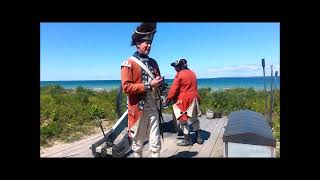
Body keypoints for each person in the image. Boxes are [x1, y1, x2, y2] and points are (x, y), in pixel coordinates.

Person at [121, 22, 163, 157]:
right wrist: (149, 85)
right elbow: (126, 87)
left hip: (153, 106)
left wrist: (159, 84)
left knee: (155, 141)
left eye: (150, 43)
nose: (149, 46)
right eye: (146, 42)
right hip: (137, 109)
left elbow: (157, 83)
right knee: (138, 144)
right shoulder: (129, 63)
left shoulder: (154, 62)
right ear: (138, 43)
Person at [165, 58, 204, 146]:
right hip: (194, 98)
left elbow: (174, 89)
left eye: (177, 66)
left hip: (184, 100)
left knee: (183, 120)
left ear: (181, 66)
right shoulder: (192, 73)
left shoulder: (180, 75)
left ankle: (187, 140)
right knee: (194, 119)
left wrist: (168, 99)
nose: (175, 69)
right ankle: (199, 138)